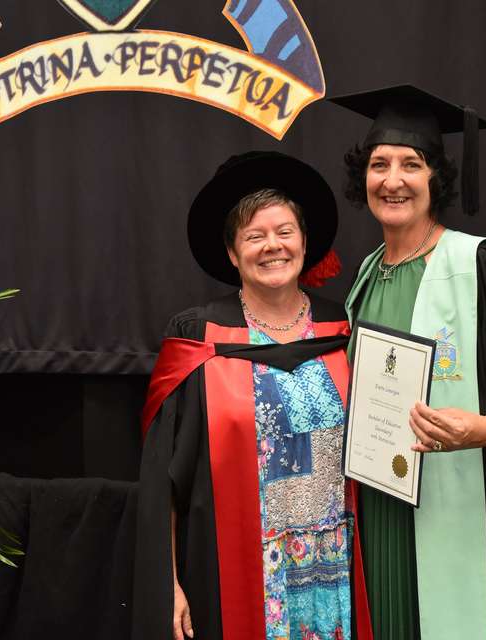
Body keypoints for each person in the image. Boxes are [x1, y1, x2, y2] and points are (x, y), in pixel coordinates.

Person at [328, 85, 486, 640]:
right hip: (380, 507)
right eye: (379, 165)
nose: (392, 180)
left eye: (411, 164)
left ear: (435, 179)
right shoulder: (366, 278)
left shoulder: (481, 266)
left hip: (456, 506)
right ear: (362, 179)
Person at [133, 151, 372, 640]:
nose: (273, 247)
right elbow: (164, 480)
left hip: (337, 569)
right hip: (243, 571)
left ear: (305, 242)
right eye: (254, 236)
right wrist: (168, 584)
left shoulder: (344, 329)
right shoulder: (200, 336)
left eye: (284, 232)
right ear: (231, 251)